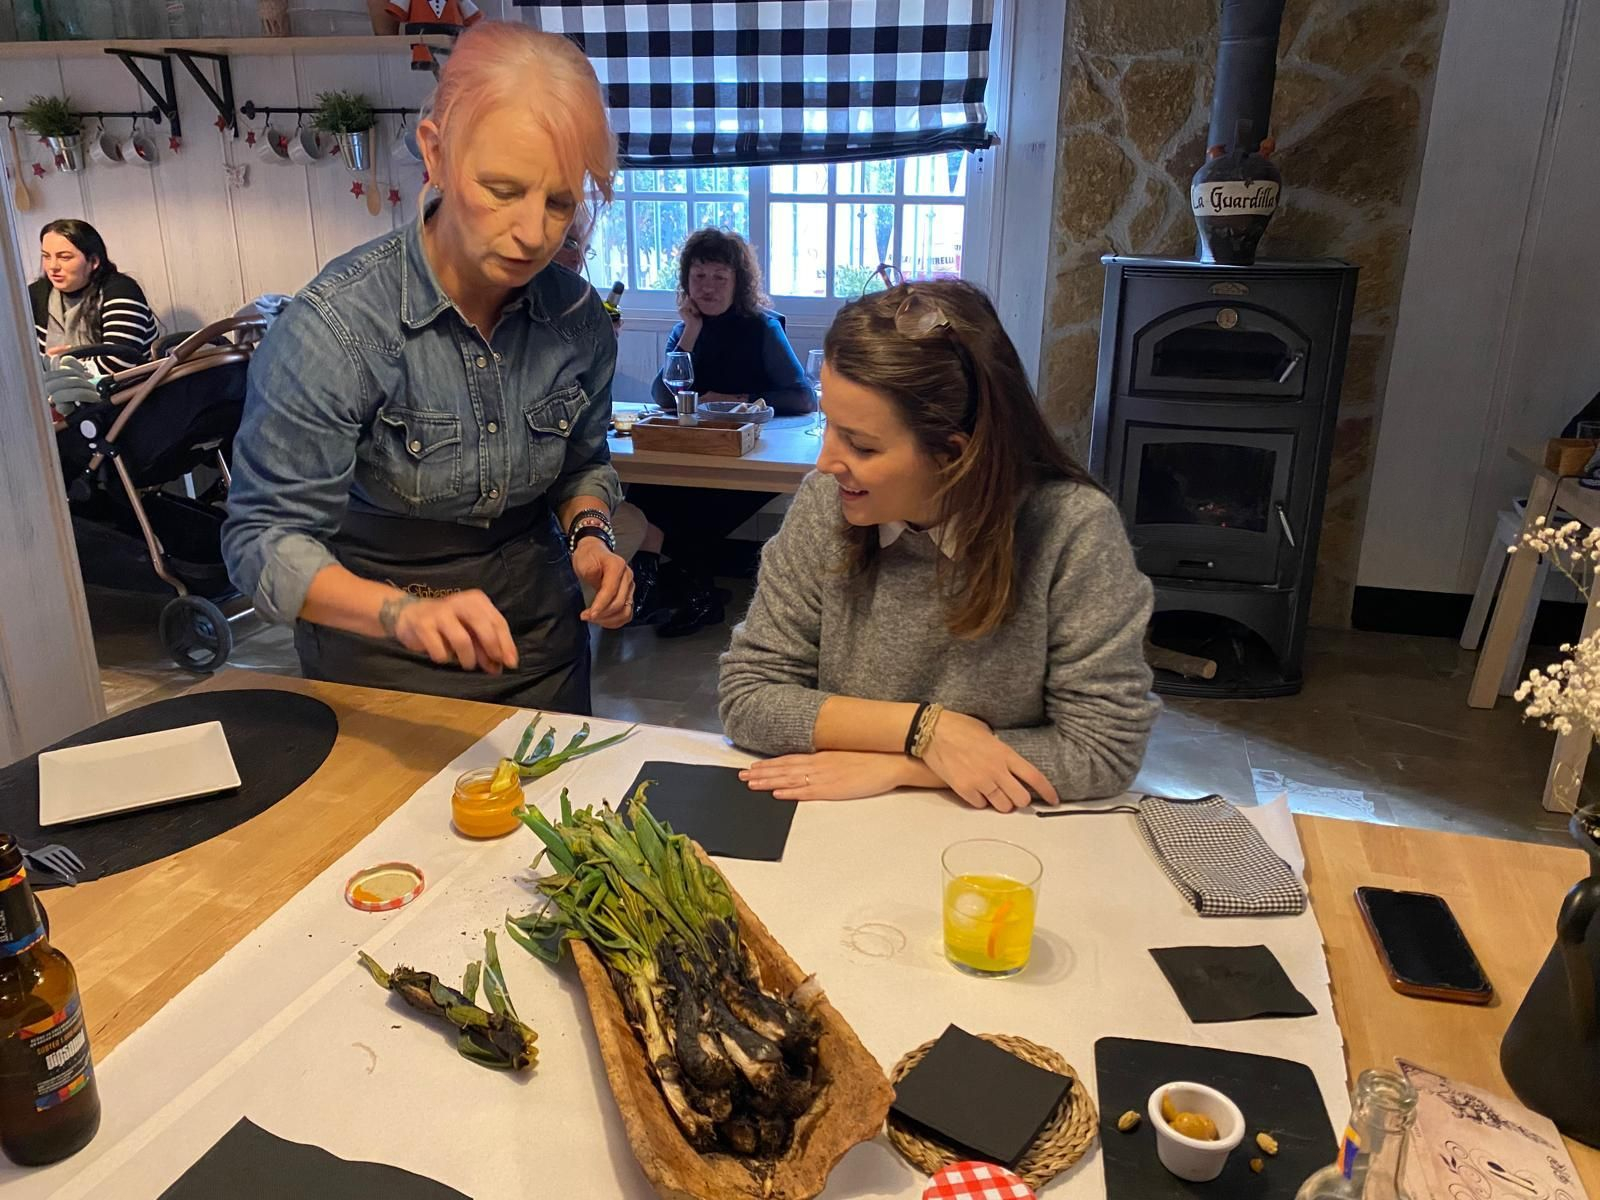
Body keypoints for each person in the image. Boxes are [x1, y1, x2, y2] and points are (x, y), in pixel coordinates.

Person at [222, 22, 633, 712]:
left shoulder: (578, 320)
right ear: (434, 154)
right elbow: (261, 540)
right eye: (502, 189)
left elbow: (582, 463)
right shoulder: (338, 327)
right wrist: (398, 613)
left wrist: (591, 535)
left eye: (560, 201)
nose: (534, 233)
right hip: (379, 660)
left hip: (541, 646)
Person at [719, 277, 1159, 809]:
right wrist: (926, 730)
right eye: (828, 426)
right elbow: (748, 698)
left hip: (1000, 840)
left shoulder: (1073, 530)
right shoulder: (825, 504)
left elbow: (1101, 751)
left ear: (954, 456)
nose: (826, 463)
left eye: (859, 443)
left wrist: (902, 767)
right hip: (846, 823)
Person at [633, 228, 812, 636]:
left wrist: (739, 398)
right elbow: (663, 394)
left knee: (692, 503)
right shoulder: (687, 328)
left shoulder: (762, 327)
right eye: (699, 277)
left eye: (719, 277)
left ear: (738, 282)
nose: (708, 287)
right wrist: (691, 331)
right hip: (701, 447)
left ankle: (689, 594)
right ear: (686, 282)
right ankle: (657, 586)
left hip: (756, 451)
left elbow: (802, 397)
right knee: (648, 488)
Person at [29, 219, 158, 375]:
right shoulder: (37, 294)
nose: (53, 266)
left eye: (65, 257)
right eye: (46, 256)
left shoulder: (121, 290)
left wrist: (53, 367)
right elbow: (21, 359)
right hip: (59, 394)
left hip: (130, 393)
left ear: (94, 261)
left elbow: (118, 363)